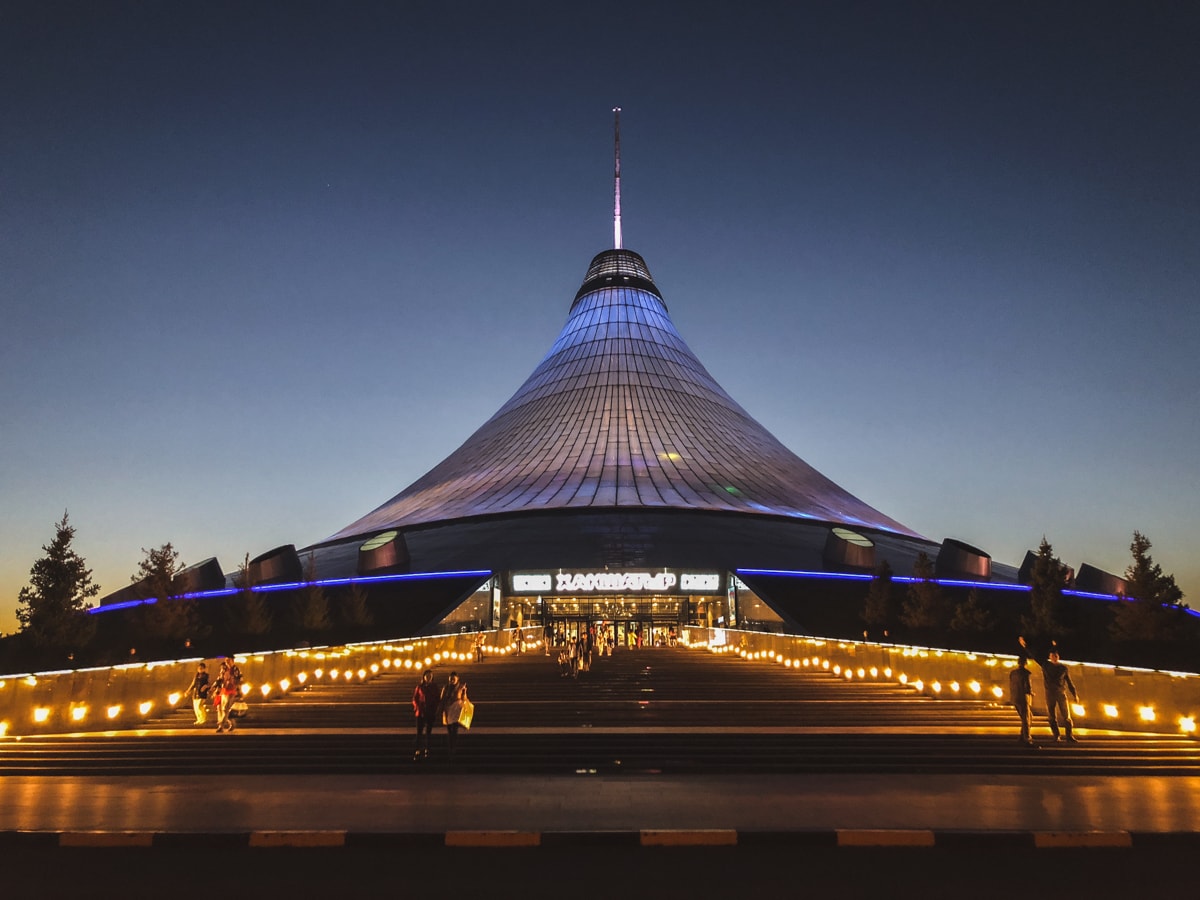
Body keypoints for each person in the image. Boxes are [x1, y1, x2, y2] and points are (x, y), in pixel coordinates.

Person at [1020, 636, 1080, 743]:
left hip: (1061, 694)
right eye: (1052, 655)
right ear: (1050, 657)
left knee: (1067, 716)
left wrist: (1075, 694)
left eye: (1056, 655)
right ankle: (1056, 735)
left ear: (1058, 657)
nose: (1054, 657)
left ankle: (1069, 735)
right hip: (1050, 694)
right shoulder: (1046, 665)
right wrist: (1025, 646)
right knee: (1052, 716)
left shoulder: (1063, 668)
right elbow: (1034, 656)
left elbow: (1069, 682)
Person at [411, 669, 440, 761]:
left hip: (430, 712)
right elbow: (415, 698)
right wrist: (417, 707)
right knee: (419, 732)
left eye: (430, 676)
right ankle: (417, 750)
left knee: (428, 732)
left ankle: (427, 749)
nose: (428, 678)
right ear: (423, 677)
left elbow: (437, 698)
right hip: (420, 712)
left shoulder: (434, 687)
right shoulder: (419, 687)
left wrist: (434, 708)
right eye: (427, 676)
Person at [440, 671, 469, 758]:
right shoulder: (446, 687)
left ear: (457, 679)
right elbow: (442, 698)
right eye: (451, 678)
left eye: (454, 678)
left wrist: (464, 691)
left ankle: (454, 748)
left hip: (456, 709)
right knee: (449, 730)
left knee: (454, 729)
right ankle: (450, 747)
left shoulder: (460, 687)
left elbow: (464, 698)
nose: (452, 680)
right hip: (448, 709)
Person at [1008, 656, 1036, 747]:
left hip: (1015, 698)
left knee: (1028, 717)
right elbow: (1028, 687)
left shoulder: (1012, 673)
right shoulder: (1026, 673)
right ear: (1025, 663)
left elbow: (1011, 685)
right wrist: (1031, 693)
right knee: (1026, 718)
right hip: (1023, 698)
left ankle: (1021, 736)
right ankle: (1027, 739)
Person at [215, 657, 244, 734]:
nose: (227, 662)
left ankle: (221, 726)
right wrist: (215, 688)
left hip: (232, 690)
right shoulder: (224, 669)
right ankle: (232, 723)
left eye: (228, 661)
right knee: (222, 709)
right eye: (226, 661)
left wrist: (239, 690)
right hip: (224, 690)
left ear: (232, 661)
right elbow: (219, 679)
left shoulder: (236, 669)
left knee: (225, 708)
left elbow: (240, 679)